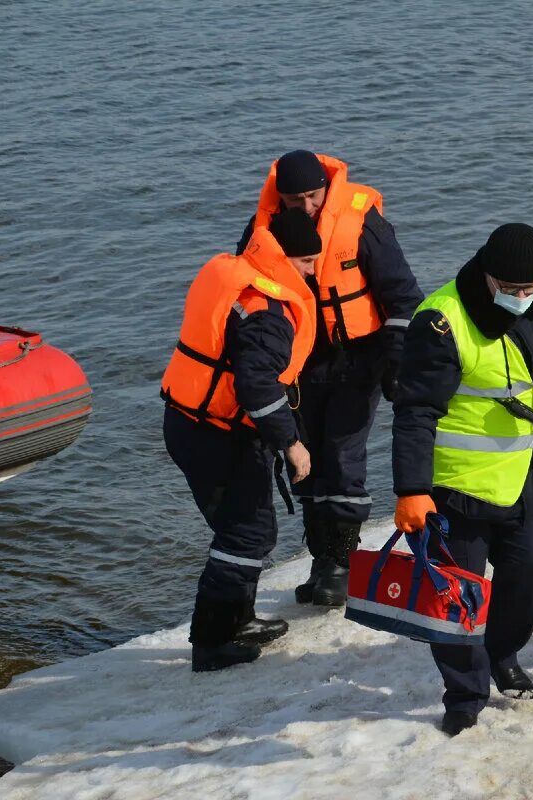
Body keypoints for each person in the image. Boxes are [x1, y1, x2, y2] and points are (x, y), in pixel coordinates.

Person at [391, 223, 533, 736]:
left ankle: (502, 653)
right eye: (511, 290)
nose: (521, 299)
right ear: (487, 277)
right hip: (456, 487)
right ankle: (464, 696)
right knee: (456, 601)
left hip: (521, 476)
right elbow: (415, 412)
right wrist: (411, 491)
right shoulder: (441, 323)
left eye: (529, 289)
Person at [237, 150, 422, 608]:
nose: (305, 208)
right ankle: (323, 558)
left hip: (360, 357)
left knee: (342, 455)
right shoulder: (262, 230)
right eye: (294, 199)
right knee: (306, 460)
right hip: (298, 362)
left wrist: (399, 362)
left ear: (326, 187)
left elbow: (403, 297)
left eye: (313, 196)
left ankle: (339, 564)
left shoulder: (363, 222)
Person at [161, 208, 320, 672]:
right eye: (307, 262)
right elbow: (256, 386)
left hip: (191, 422)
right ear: (286, 259)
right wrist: (291, 443)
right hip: (215, 435)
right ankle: (212, 642)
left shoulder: (240, 279)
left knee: (247, 527)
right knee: (245, 533)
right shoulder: (270, 313)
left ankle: (240, 620)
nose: (313, 272)